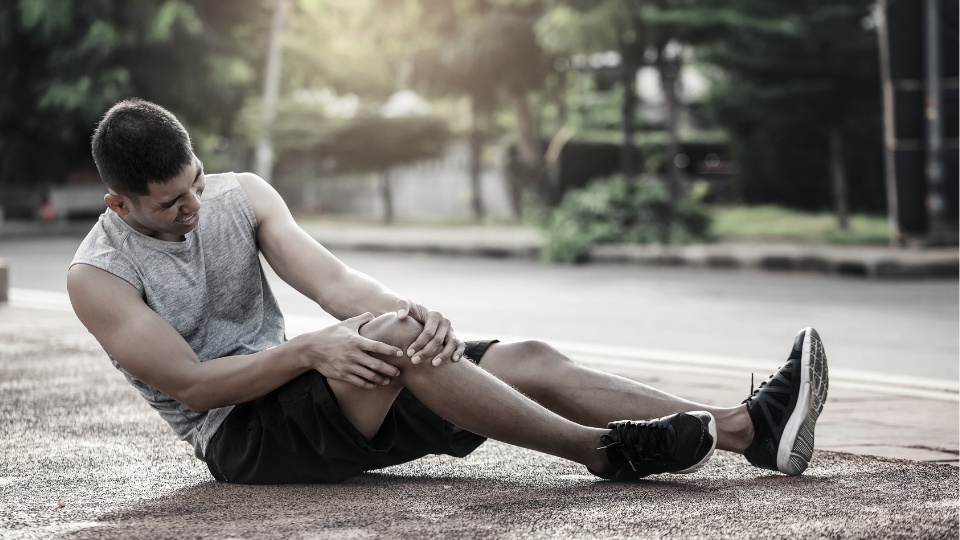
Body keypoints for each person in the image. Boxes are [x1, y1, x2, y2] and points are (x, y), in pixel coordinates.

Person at [67, 98, 829, 485]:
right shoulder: (97, 276)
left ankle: (746, 431)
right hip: (244, 438)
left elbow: (334, 283)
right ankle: (602, 453)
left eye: (196, 183)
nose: (194, 207)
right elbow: (195, 389)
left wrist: (410, 312)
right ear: (120, 204)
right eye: (171, 204)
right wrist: (310, 351)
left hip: (325, 391)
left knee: (519, 354)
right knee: (390, 341)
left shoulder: (243, 196)